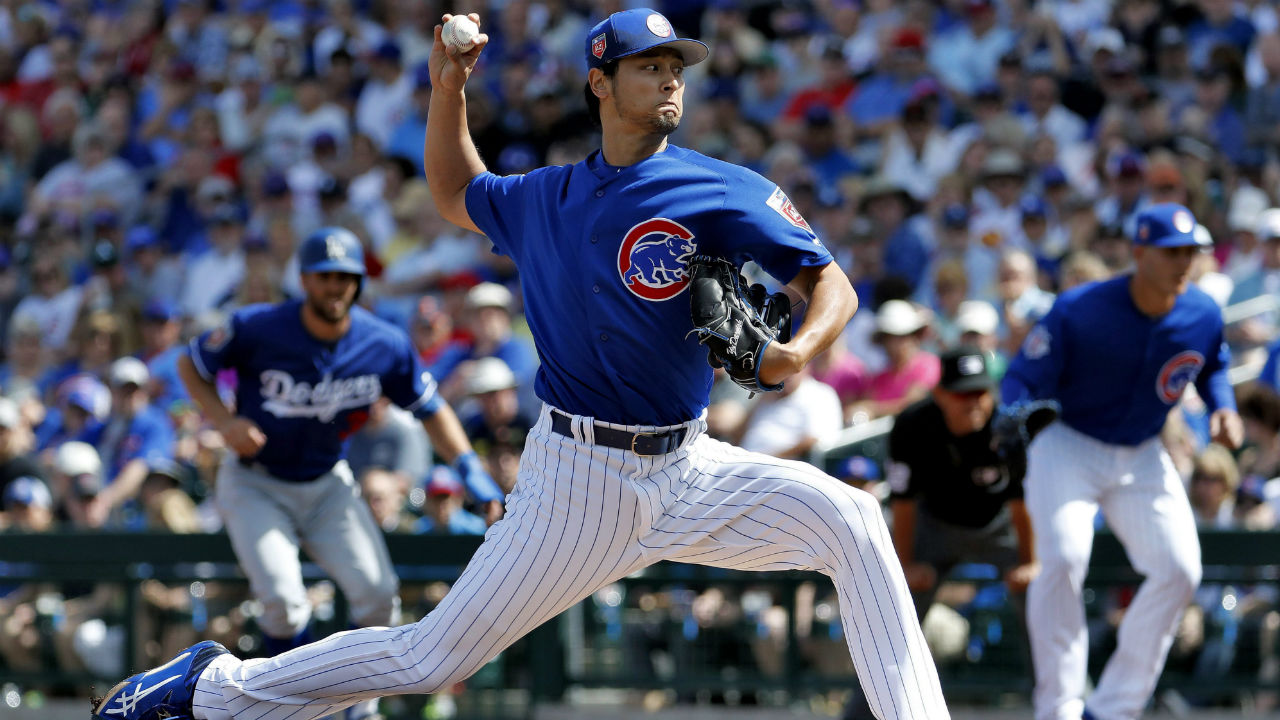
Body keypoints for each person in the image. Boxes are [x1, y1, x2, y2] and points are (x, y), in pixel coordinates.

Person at [93, 10, 948, 720]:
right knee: (429, 657)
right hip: (579, 479)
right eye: (649, 67)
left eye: (676, 67)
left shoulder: (719, 188)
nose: (670, 80)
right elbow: (454, 189)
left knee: (855, 524)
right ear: (600, 83)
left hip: (691, 469)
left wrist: (801, 348)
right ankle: (214, 689)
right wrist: (449, 88)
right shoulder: (542, 198)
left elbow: (827, 278)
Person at [96, 226, 503, 720]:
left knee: (377, 596)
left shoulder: (382, 342)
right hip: (256, 482)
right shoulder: (258, 326)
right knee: (286, 605)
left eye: (345, 277)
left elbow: (431, 407)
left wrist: (468, 466)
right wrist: (224, 421)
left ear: (358, 282)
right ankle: (281, 708)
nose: (335, 286)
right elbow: (190, 364)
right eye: (324, 276)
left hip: (327, 482)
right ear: (305, 279)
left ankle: (358, 707)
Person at [1001, 203, 1244, 720]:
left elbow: (1215, 363)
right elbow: (1022, 375)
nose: (1184, 261)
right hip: (1068, 444)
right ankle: (1060, 707)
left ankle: (1113, 708)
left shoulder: (1200, 311)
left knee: (1180, 569)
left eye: (1191, 251)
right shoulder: (1081, 309)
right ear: (1139, 253)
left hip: (1142, 452)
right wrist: (1015, 410)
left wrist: (1223, 406)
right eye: (1172, 251)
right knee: (1063, 560)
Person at [845, 347, 1037, 720]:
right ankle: (863, 714)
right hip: (934, 525)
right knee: (896, 610)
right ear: (941, 394)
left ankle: (1068, 706)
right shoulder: (913, 425)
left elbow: (1021, 504)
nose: (973, 403)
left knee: (1040, 599)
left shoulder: (1008, 427)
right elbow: (903, 503)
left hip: (998, 526)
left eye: (980, 392)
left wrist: (1030, 563)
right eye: (963, 393)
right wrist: (908, 563)